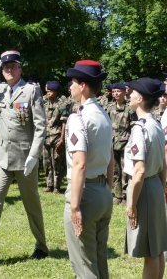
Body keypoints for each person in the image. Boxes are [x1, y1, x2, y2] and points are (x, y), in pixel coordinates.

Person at [0, 50, 48, 266]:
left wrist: (34, 154)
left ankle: (41, 246)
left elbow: (41, 127)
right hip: (3, 160)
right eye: (5, 68)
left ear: (20, 68)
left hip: (25, 160)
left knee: (32, 206)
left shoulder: (31, 91)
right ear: (1, 71)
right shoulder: (0, 91)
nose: (9, 70)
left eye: (13, 66)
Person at [64, 60, 113, 278]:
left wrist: (75, 207)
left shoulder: (79, 117)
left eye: (73, 82)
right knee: (100, 262)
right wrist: (107, 188)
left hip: (85, 193)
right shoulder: (103, 115)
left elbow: (80, 163)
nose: (70, 87)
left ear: (83, 85)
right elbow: (110, 158)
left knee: (84, 266)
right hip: (102, 191)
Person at [124, 77, 167, 279]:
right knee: (157, 248)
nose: (128, 95)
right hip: (156, 186)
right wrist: (163, 185)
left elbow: (139, 171)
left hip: (144, 189)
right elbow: (164, 162)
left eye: (131, 92)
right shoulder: (156, 124)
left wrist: (132, 204)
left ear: (140, 98)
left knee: (151, 252)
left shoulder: (140, 128)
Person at [109, 83, 137, 205]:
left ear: (125, 92)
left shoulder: (130, 108)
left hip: (126, 144)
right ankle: (117, 195)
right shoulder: (109, 107)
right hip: (113, 143)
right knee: (115, 171)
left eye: (118, 91)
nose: (115, 93)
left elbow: (134, 127)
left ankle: (126, 196)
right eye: (114, 91)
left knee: (126, 171)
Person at [43, 80, 68, 193]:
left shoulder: (61, 104)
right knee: (46, 162)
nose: (48, 93)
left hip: (57, 137)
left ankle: (57, 186)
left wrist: (62, 139)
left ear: (56, 92)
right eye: (47, 91)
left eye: (51, 91)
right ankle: (49, 184)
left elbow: (64, 123)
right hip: (45, 137)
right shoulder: (43, 103)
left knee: (57, 162)